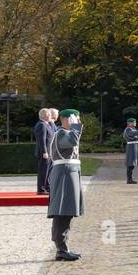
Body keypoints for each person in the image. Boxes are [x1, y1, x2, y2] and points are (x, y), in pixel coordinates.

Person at [47, 109, 85, 261]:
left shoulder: (66, 133)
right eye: (76, 118)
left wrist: (75, 126)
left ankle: (63, 247)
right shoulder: (62, 134)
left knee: (67, 210)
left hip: (69, 172)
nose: (78, 121)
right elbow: (72, 142)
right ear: (67, 119)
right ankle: (61, 248)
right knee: (62, 210)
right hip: (64, 173)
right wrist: (75, 126)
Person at [33, 108, 53, 194]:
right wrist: (45, 152)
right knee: (43, 171)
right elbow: (42, 140)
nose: (51, 116)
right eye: (49, 114)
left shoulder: (46, 124)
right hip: (44, 152)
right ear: (46, 115)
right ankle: (41, 189)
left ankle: (47, 187)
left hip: (48, 152)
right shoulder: (41, 125)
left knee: (47, 171)